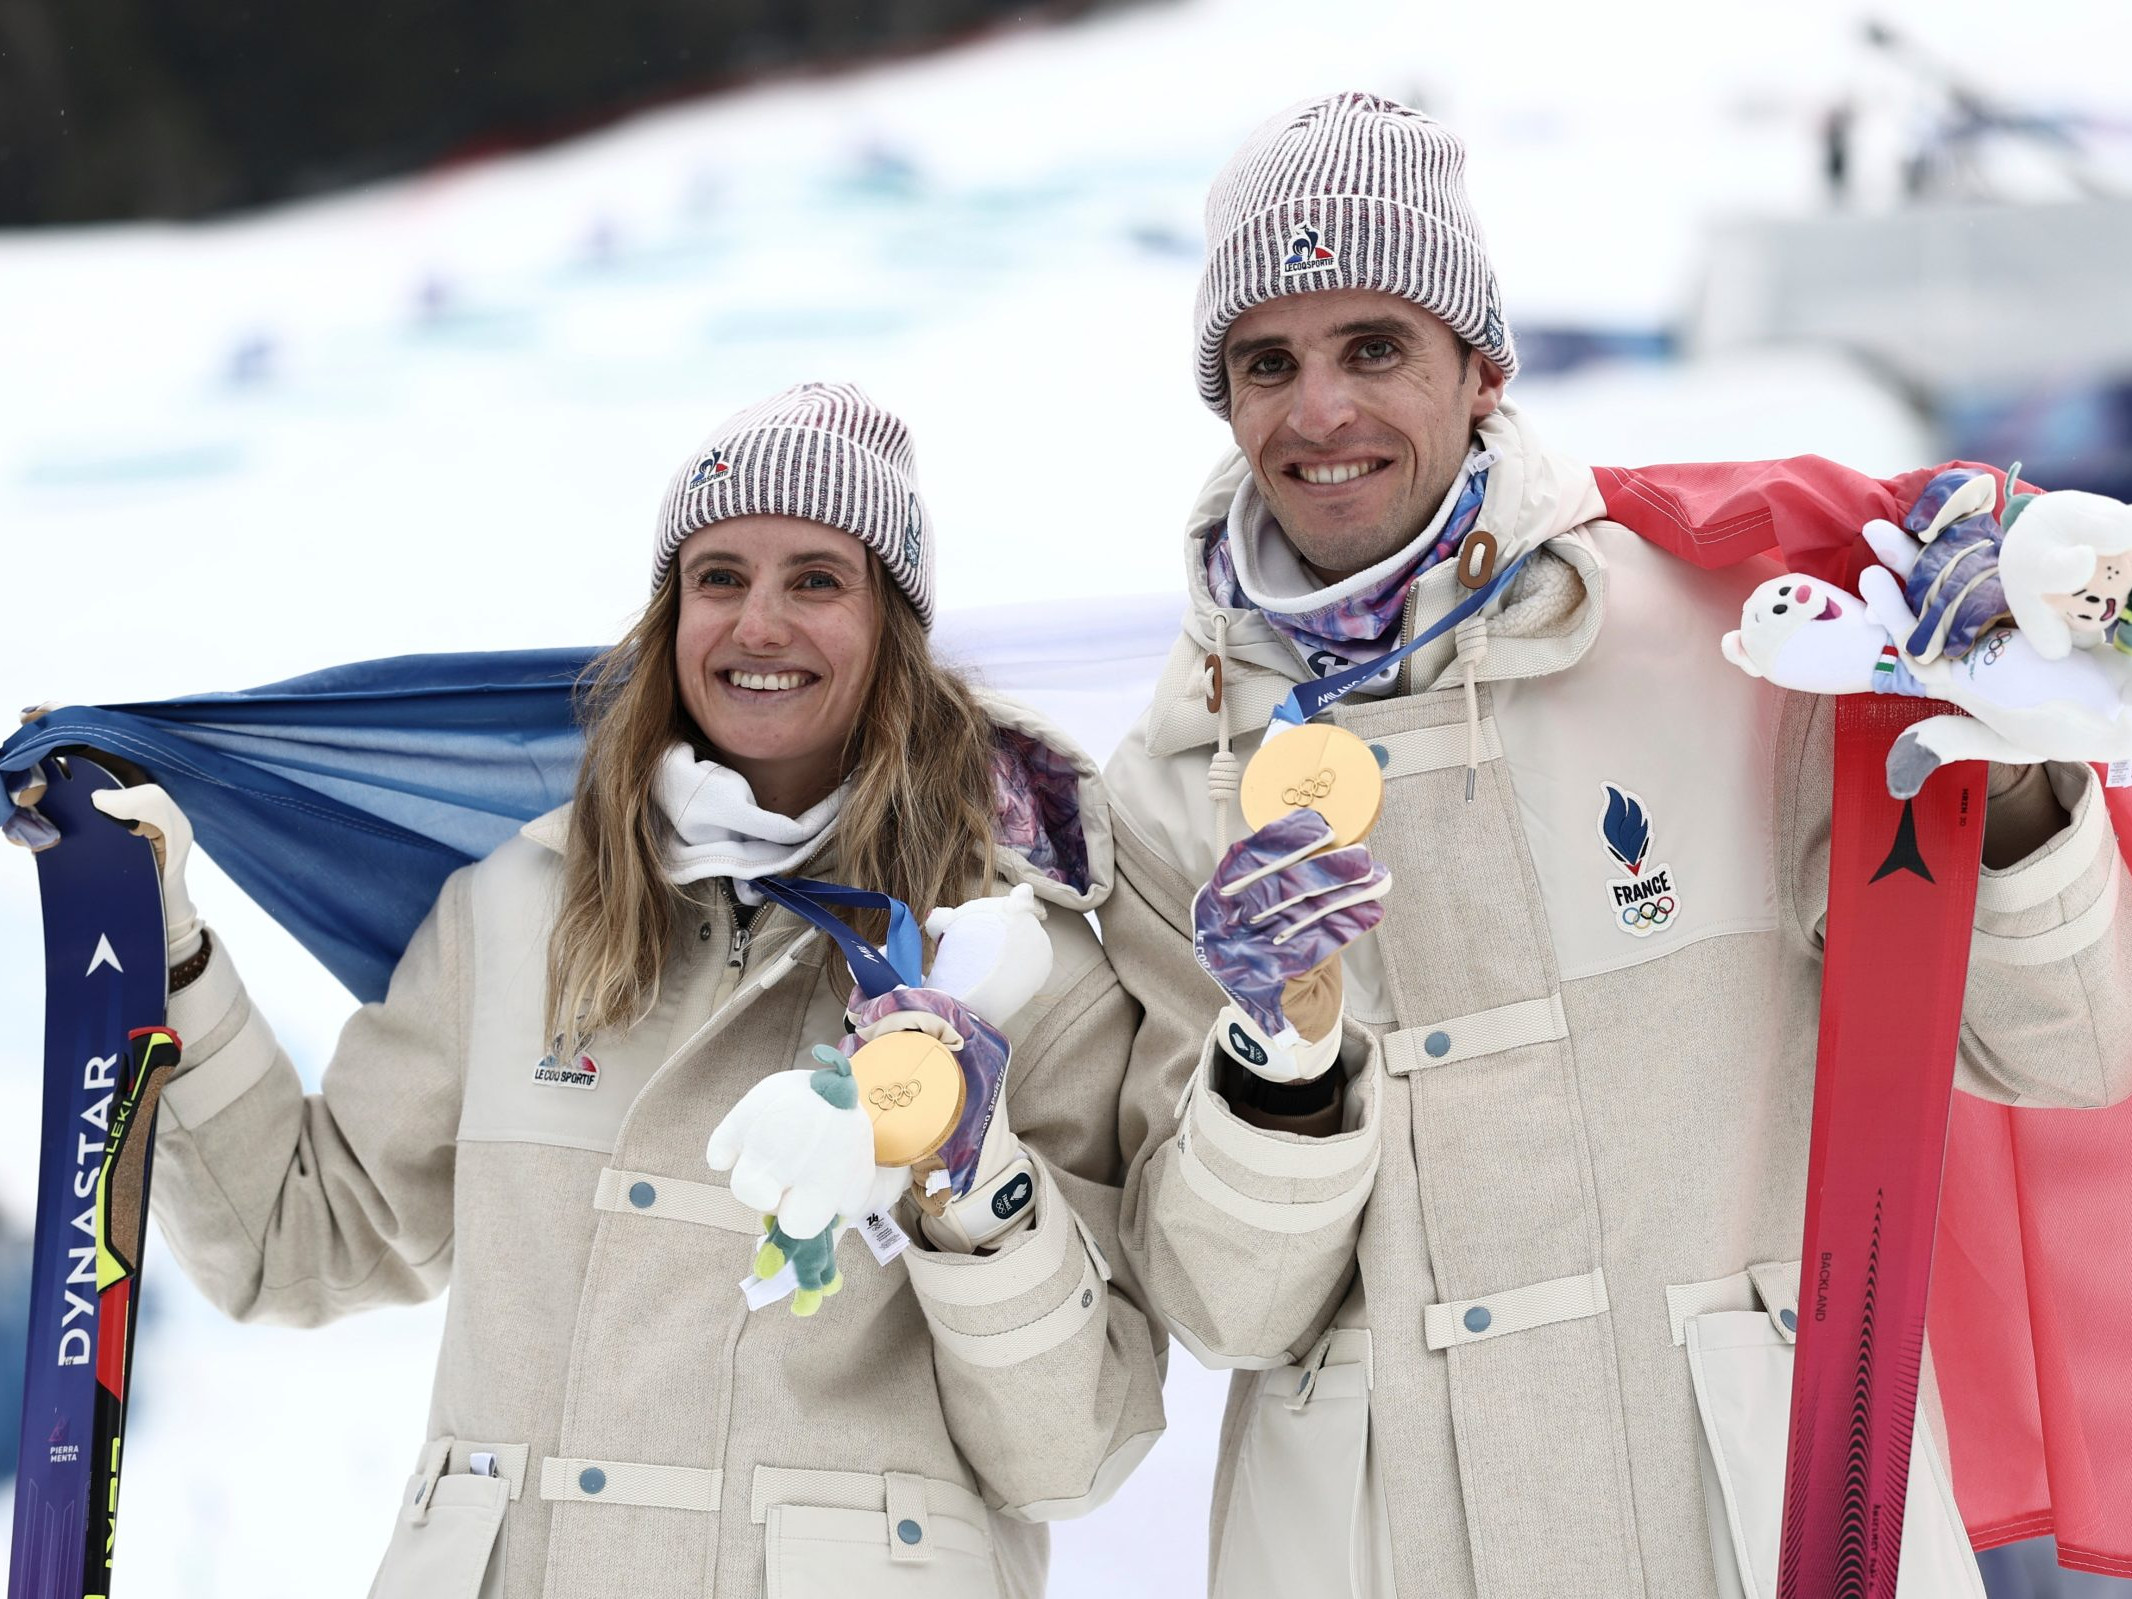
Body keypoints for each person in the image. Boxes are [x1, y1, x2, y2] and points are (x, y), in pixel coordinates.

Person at [1101, 92, 2132, 1598]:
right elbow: (1224, 1306)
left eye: (1374, 346)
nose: (1318, 411)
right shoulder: (1173, 776)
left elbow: (2069, 1048)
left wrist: (2012, 767)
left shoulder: (1737, 635)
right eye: (1269, 362)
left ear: (1484, 367)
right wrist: (1277, 1053)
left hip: (1760, 1520)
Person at [97, 381, 1163, 1599]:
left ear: (894, 634)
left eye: (816, 579)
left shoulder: (1021, 963)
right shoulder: (518, 911)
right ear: (668, 620)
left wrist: (969, 1178)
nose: (757, 624)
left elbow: (1073, 1452)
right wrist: (166, 954)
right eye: (717, 578)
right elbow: (299, 1244)